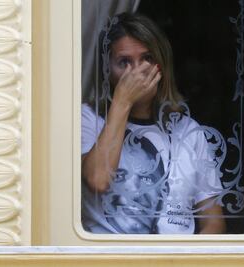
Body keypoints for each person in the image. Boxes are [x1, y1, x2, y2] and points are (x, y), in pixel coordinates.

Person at [81, 12, 226, 234]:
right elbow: (98, 180)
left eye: (147, 58)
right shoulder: (88, 119)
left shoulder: (188, 131)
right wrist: (123, 102)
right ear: (107, 72)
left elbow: (213, 222)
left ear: (162, 65)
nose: (138, 71)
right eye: (124, 62)